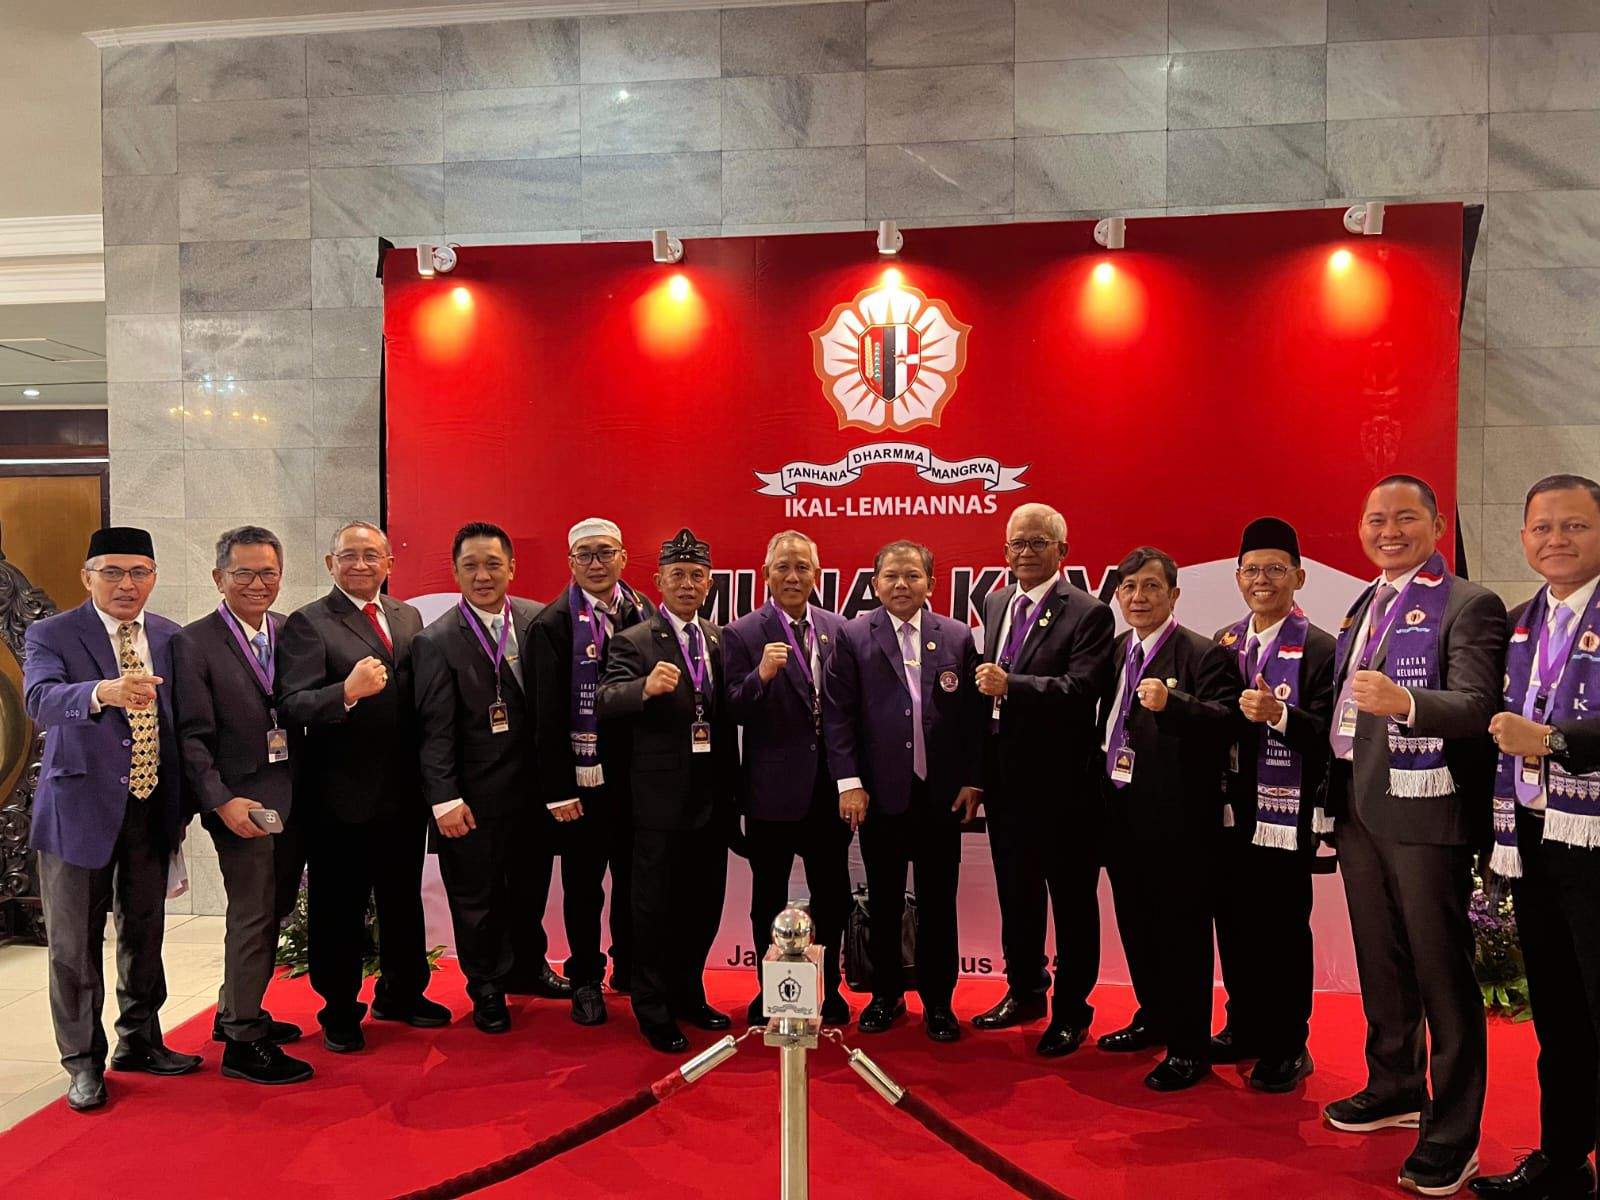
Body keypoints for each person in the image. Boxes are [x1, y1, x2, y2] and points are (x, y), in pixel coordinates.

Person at [1321, 475, 1506, 1198]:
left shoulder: (1468, 603)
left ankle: (1453, 1133)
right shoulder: (1365, 602)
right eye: (1376, 519)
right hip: (1360, 805)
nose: (1389, 530)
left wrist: (1405, 702)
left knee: (1440, 973)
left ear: (1436, 526)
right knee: (1382, 960)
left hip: (1427, 811)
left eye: (1405, 518)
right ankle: (1394, 1085)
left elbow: (1477, 705)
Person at [22, 526, 199, 1111]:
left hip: (150, 808)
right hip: (77, 812)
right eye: (113, 572)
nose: (127, 584)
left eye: (139, 572)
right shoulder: (52, 633)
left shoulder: (170, 636)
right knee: (74, 945)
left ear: (154, 577)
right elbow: (40, 701)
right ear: (87, 577)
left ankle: (140, 1041)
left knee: (144, 931)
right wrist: (103, 692)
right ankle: (82, 1062)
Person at [1472, 474, 1600, 1200]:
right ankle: (1563, 1157)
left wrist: (1552, 740)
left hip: (1598, 839)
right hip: (1532, 835)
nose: (1557, 539)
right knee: (1557, 1008)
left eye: (1574, 526)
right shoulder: (1520, 622)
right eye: (1543, 527)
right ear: (1522, 538)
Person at [278, 520, 447, 1052]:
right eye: (348, 556)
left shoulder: (406, 615)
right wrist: (345, 693)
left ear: (389, 563)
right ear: (330, 564)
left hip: (404, 793)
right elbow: (292, 704)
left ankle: (402, 992)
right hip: (339, 797)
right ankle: (339, 1008)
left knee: (402, 899)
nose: (360, 564)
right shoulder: (308, 622)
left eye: (371, 555)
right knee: (339, 907)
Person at [822, 539, 983, 1043]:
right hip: (878, 795)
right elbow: (838, 715)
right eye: (891, 576)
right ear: (875, 584)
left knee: (939, 904)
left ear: (930, 583)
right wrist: (849, 783)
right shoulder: (853, 635)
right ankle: (885, 995)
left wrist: (973, 779)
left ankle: (938, 1002)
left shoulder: (956, 635)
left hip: (941, 797)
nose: (901, 584)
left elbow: (973, 717)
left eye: (913, 576)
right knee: (885, 901)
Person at [971, 503, 1113, 1057]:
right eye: (1017, 544)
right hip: (1006, 781)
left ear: (1062, 551)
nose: (1025, 553)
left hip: (1064, 786)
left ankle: (1072, 1011)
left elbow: (1083, 689)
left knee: (1072, 902)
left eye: (1037, 543)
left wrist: (1014, 685)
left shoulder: (1089, 612)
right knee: (1017, 894)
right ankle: (1025, 990)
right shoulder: (996, 601)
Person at [172, 525, 312, 1085]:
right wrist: (221, 802)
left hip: (292, 796)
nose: (258, 584)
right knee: (253, 913)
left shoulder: (288, 630)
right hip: (240, 802)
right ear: (218, 578)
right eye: (244, 573)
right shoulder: (194, 642)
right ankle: (243, 1042)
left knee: (274, 907)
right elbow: (191, 736)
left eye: (268, 573)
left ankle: (235, 1010)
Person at [1096, 546, 1238, 1091]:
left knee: (1182, 934)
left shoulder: (1203, 654)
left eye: (1152, 586)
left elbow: (1227, 722)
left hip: (1180, 822)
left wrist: (1173, 704)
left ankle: (1188, 1047)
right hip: (1120, 813)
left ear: (1174, 594)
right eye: (1129, 587)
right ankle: (1154, 1017)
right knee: (1136, 926)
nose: (1139, 597)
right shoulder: (1116, 651)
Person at [597, 528, 738, 1052]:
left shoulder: (718, 638)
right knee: (654, 909)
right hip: (656, 803)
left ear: (709, 583)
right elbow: (604, 700)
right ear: (658, 581)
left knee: (703, 905)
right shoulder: (633, 640)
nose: (687, 583)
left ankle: (688, 992)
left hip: (711, 799)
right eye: (677, 574)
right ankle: (652, 1007)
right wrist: (643, 688)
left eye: (696, 575)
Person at [413, 522, 556, 1035]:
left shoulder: (539, 620)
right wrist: (444, 799)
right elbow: (433, 730)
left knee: (530, 891)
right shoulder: (436, 640)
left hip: (534, 795)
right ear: (454, 572)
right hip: (472, 801)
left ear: (511, 568)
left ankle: (527, 968)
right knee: (477, 901)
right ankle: (487, 987)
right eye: (470, 566)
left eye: (493, 564)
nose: (482, 575)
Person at [1208, 517, 1336, 1093]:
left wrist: (1280, 715)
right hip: (1230, 811)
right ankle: (1244, 1025)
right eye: (1252, 570)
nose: (1262, 580)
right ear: (1238, 578)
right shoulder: (1224, 643)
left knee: (1282, 929)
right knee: (1234, 923)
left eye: (1275, 570)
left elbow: (1333, 737)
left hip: (1286, 814)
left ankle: (1289, 1043)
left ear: (1299, 577)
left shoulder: (1321, 648)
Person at [723, 530, 851, 1026]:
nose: (792, 576)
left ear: (816, 574)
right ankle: (769, 992)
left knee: (832, 898)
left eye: (802, 567)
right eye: (783, 567)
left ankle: (828, 989)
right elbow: (730, 709)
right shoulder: (741, 633)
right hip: (770, 793)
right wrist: (759, 677)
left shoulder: (838, 629)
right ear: (766, 574)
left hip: (827, 792)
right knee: (767, 900)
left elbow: (848, 711)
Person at [531, 517, 655, 1025]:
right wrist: (558, 789)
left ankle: (630, 966)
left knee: (633, 881)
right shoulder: (552, 624)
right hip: (583, 780)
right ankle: (585, 977)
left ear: (623, 557)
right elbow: (544, 715)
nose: (596, 563)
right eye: (585, 554)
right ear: (570, 563)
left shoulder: (645, 612)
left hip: (637, 777)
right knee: (584, 887)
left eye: (605, 552)